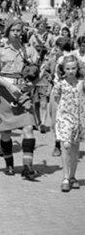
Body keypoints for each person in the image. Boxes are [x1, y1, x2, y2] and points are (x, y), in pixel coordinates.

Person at [0, 19, 41, 179]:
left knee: (29, 128)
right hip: (5, 92)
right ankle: (9, 164)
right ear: (7, 31)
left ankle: (27, 166)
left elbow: (37, 72)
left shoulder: (28, 50)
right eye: (14, 30)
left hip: (23, 94)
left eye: (20, 30)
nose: (17, 33)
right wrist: (10, 86)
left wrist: (32, 85)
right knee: (5, 132)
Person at [52, 55, 84, 192]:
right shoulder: (60, 83)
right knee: (66, 145)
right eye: (68, 68)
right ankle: (65, 177)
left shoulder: (81, 83)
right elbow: (56, 99)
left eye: (73, 68)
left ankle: (72, 176)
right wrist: (55, 119)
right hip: (64, 118)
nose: (71, 71)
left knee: (75, 149)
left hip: (79, 119)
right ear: (63, 69)